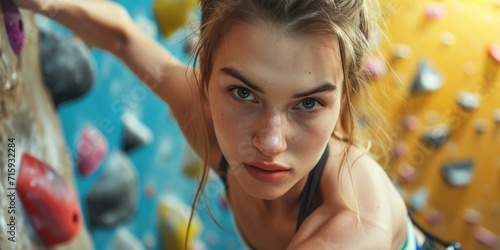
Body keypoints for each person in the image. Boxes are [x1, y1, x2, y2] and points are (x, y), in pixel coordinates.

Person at [15, 0, 417, 249]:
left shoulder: (360, 223)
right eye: (243, 93)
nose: (270, 142)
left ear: (345, 96)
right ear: (204, 75)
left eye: (309, 103)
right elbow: (122, 37)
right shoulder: (207, 124)